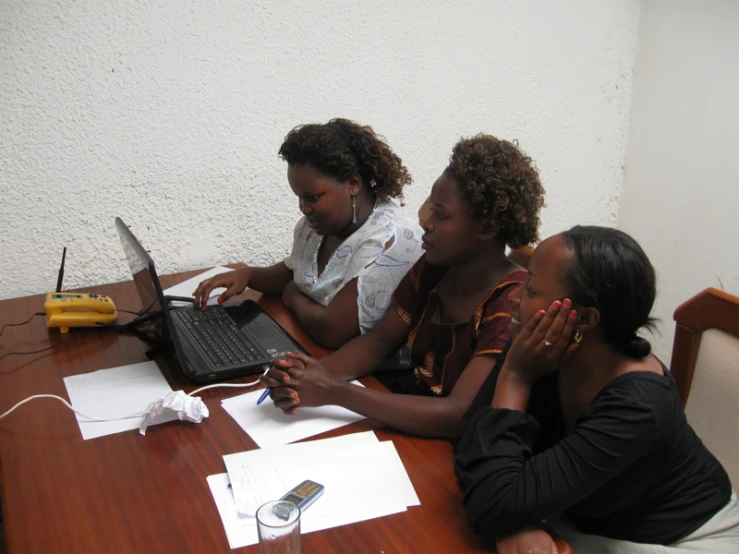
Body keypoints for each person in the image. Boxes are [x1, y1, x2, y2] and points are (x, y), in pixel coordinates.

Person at [454, 226, 739, 554]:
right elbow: (468, 438)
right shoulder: (539, 346)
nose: (515, 298)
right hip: (578, 517)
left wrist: (515, 378)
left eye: (531, 289)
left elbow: (492, 492)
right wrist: (514, 517)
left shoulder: (639, 405)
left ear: (584, 319)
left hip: (682, 539)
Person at [262, 134, 546, 438]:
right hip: (406, 417)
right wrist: (310, 374)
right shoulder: (434, 267)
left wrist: (335, 391)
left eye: (441, 214)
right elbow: (379, 341)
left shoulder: (510, 302)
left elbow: (457, 414)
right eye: (429, 206)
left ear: (487, 227)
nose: (425, 221)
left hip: (452, 443)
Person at [193, 118, 423, 349]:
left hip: (369, 375)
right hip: (308, 346)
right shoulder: (318, 226)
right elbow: (294, 272)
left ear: (353, 184)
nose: (303, 208)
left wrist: (293, 296)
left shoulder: (391, 240)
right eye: (299, 197)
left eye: (312, 197)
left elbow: (331, 330)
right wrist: (248, 275)